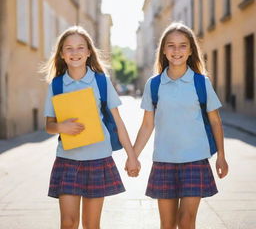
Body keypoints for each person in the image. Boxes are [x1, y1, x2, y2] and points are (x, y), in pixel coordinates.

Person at [130, 22, 228, 229]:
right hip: (164, 162)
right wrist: (133, 156)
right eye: (171, 45)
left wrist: (221, 155)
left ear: (191, 50)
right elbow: (147, 125)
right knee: (167, 224)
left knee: (186, 221)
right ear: (164, 50)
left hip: (195, 161)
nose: (177, 51)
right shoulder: (153, 84)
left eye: (183, 45)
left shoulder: (201, 82)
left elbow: (215, 121)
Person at [42, 26, 140, 229]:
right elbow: (49, 126)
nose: (75, 52)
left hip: (98, 159)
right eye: (69, 48)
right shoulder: (57, 84)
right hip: (67, 160)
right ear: (61, 54)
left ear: (88, 52)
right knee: (68, 223)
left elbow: (118, 123)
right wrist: (61, 126)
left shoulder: (101, 82)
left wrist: (132, 156)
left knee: (91, 225)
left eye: (80, 48)